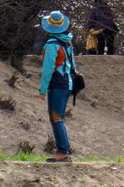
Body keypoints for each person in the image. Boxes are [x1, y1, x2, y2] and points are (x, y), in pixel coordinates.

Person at [38, 10, 78, 162]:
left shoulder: (51, 45)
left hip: (57, 85)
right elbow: (73, 65)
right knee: (59, 117)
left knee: (56, 118)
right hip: (67, 84)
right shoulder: (67, 42)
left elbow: (48, 69)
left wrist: (42, 90)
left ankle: (63, 152)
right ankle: (64, 150)